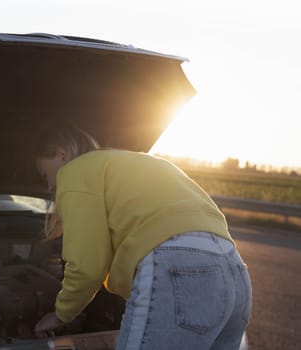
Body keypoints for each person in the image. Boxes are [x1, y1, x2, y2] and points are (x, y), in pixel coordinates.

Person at [32, 125, 252, 350]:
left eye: (45, 174)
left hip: (178, 267)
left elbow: (87, 265)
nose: (49, 185)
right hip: (234, 269)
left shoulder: (75, 170)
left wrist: (60, 314)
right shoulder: (137, 163)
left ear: (62, 154)